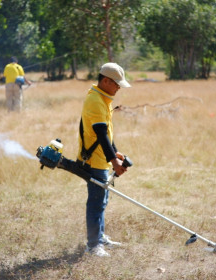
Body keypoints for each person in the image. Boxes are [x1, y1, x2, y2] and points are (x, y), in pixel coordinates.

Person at [77, 62, 131, 257]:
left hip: (102, 159)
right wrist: (114, 161)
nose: (118, 88)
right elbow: (100, 132)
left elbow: (106, 133)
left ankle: (99, 237)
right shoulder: (95, 100)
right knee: (96, 201)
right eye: (116, 84)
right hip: (95, 160)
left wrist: (114, 153)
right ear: (106, 80)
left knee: (102, 200)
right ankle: (93, 245)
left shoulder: (103, 98)